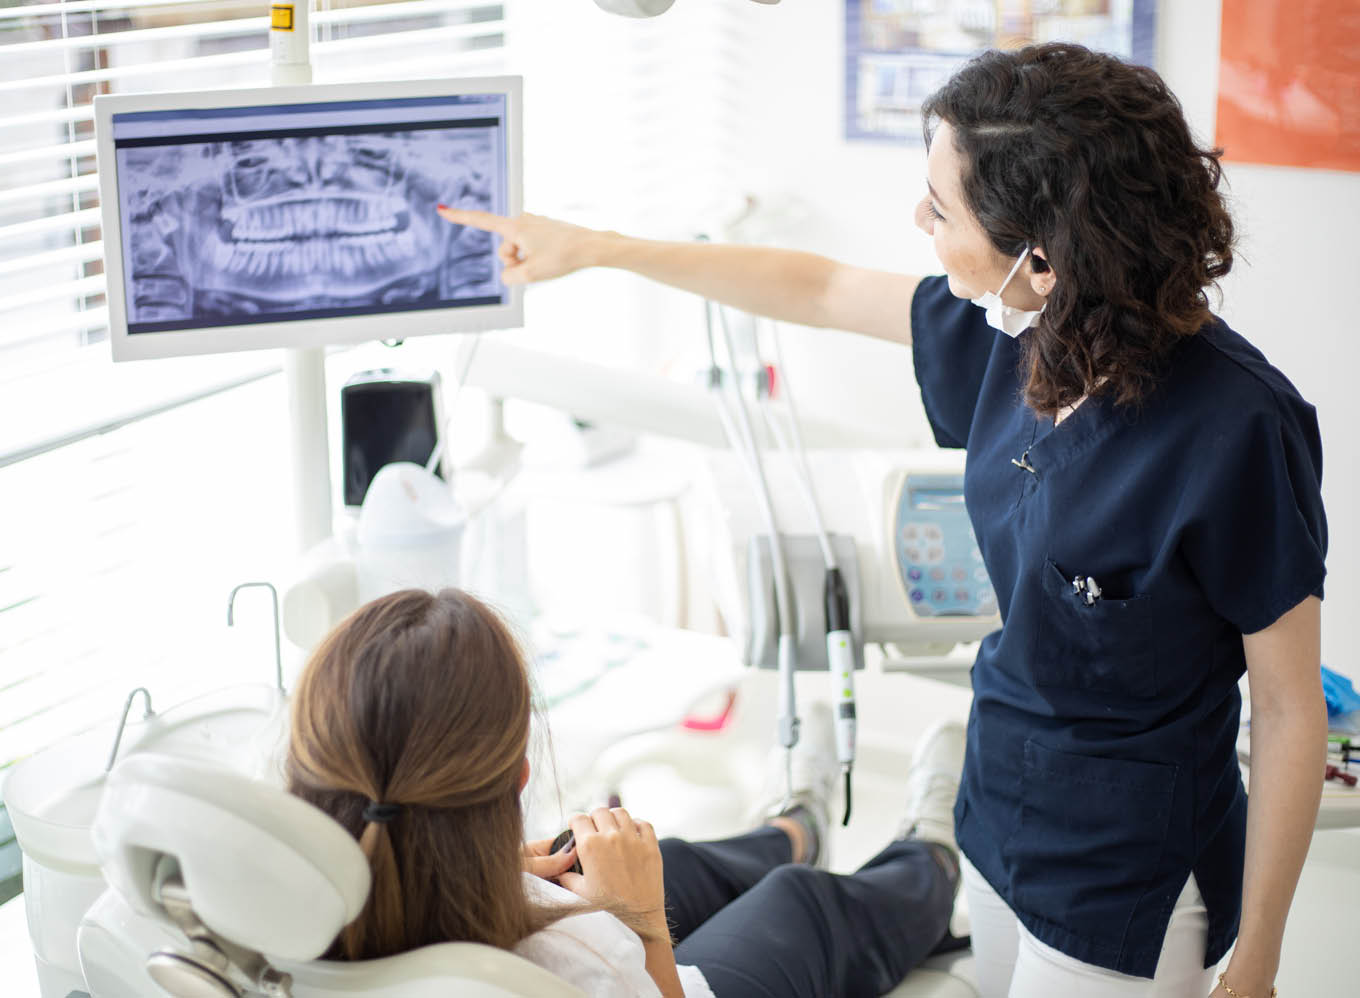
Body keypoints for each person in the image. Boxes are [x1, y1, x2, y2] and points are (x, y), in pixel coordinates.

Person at [437, 42, 1328, 998]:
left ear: (1042, 257)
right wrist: (602, 248)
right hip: (998, 800)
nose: (918, 221)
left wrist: (1260, 963)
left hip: (1132, 863)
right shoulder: (1016, 338)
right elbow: (816, 288)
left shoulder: (1237, 427)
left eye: (940, 209)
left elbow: (1285, 707)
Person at [286, 585, 969, 998]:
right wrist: (641, 922)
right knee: (804, 908)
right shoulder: (589, 960)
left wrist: (486, 869)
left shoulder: (273, 912)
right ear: (519, 780)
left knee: (674, 862)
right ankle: (929, 860)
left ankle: (794, 826)